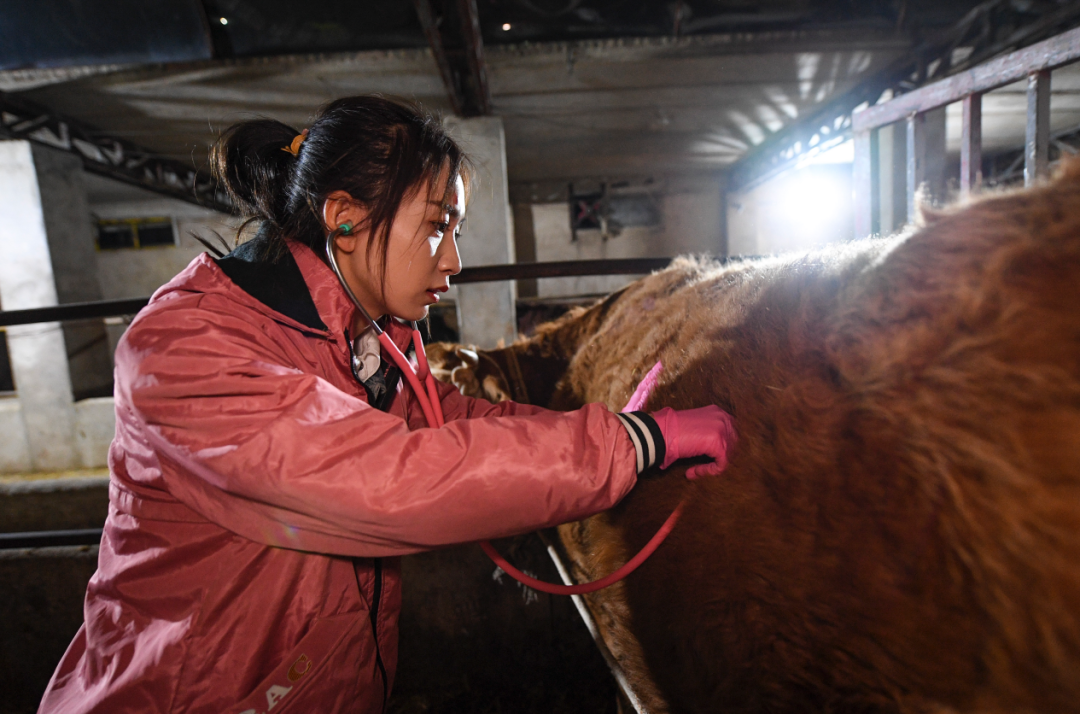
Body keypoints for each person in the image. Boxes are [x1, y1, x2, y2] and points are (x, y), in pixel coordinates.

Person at [38, 95, 735, 713]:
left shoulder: (360, 342)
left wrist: (619, 432)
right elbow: (393, 477)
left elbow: (450, 424)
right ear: (343, 219)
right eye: (438, 226)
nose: (454, 260)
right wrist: (637, 444)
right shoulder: (187, 351)